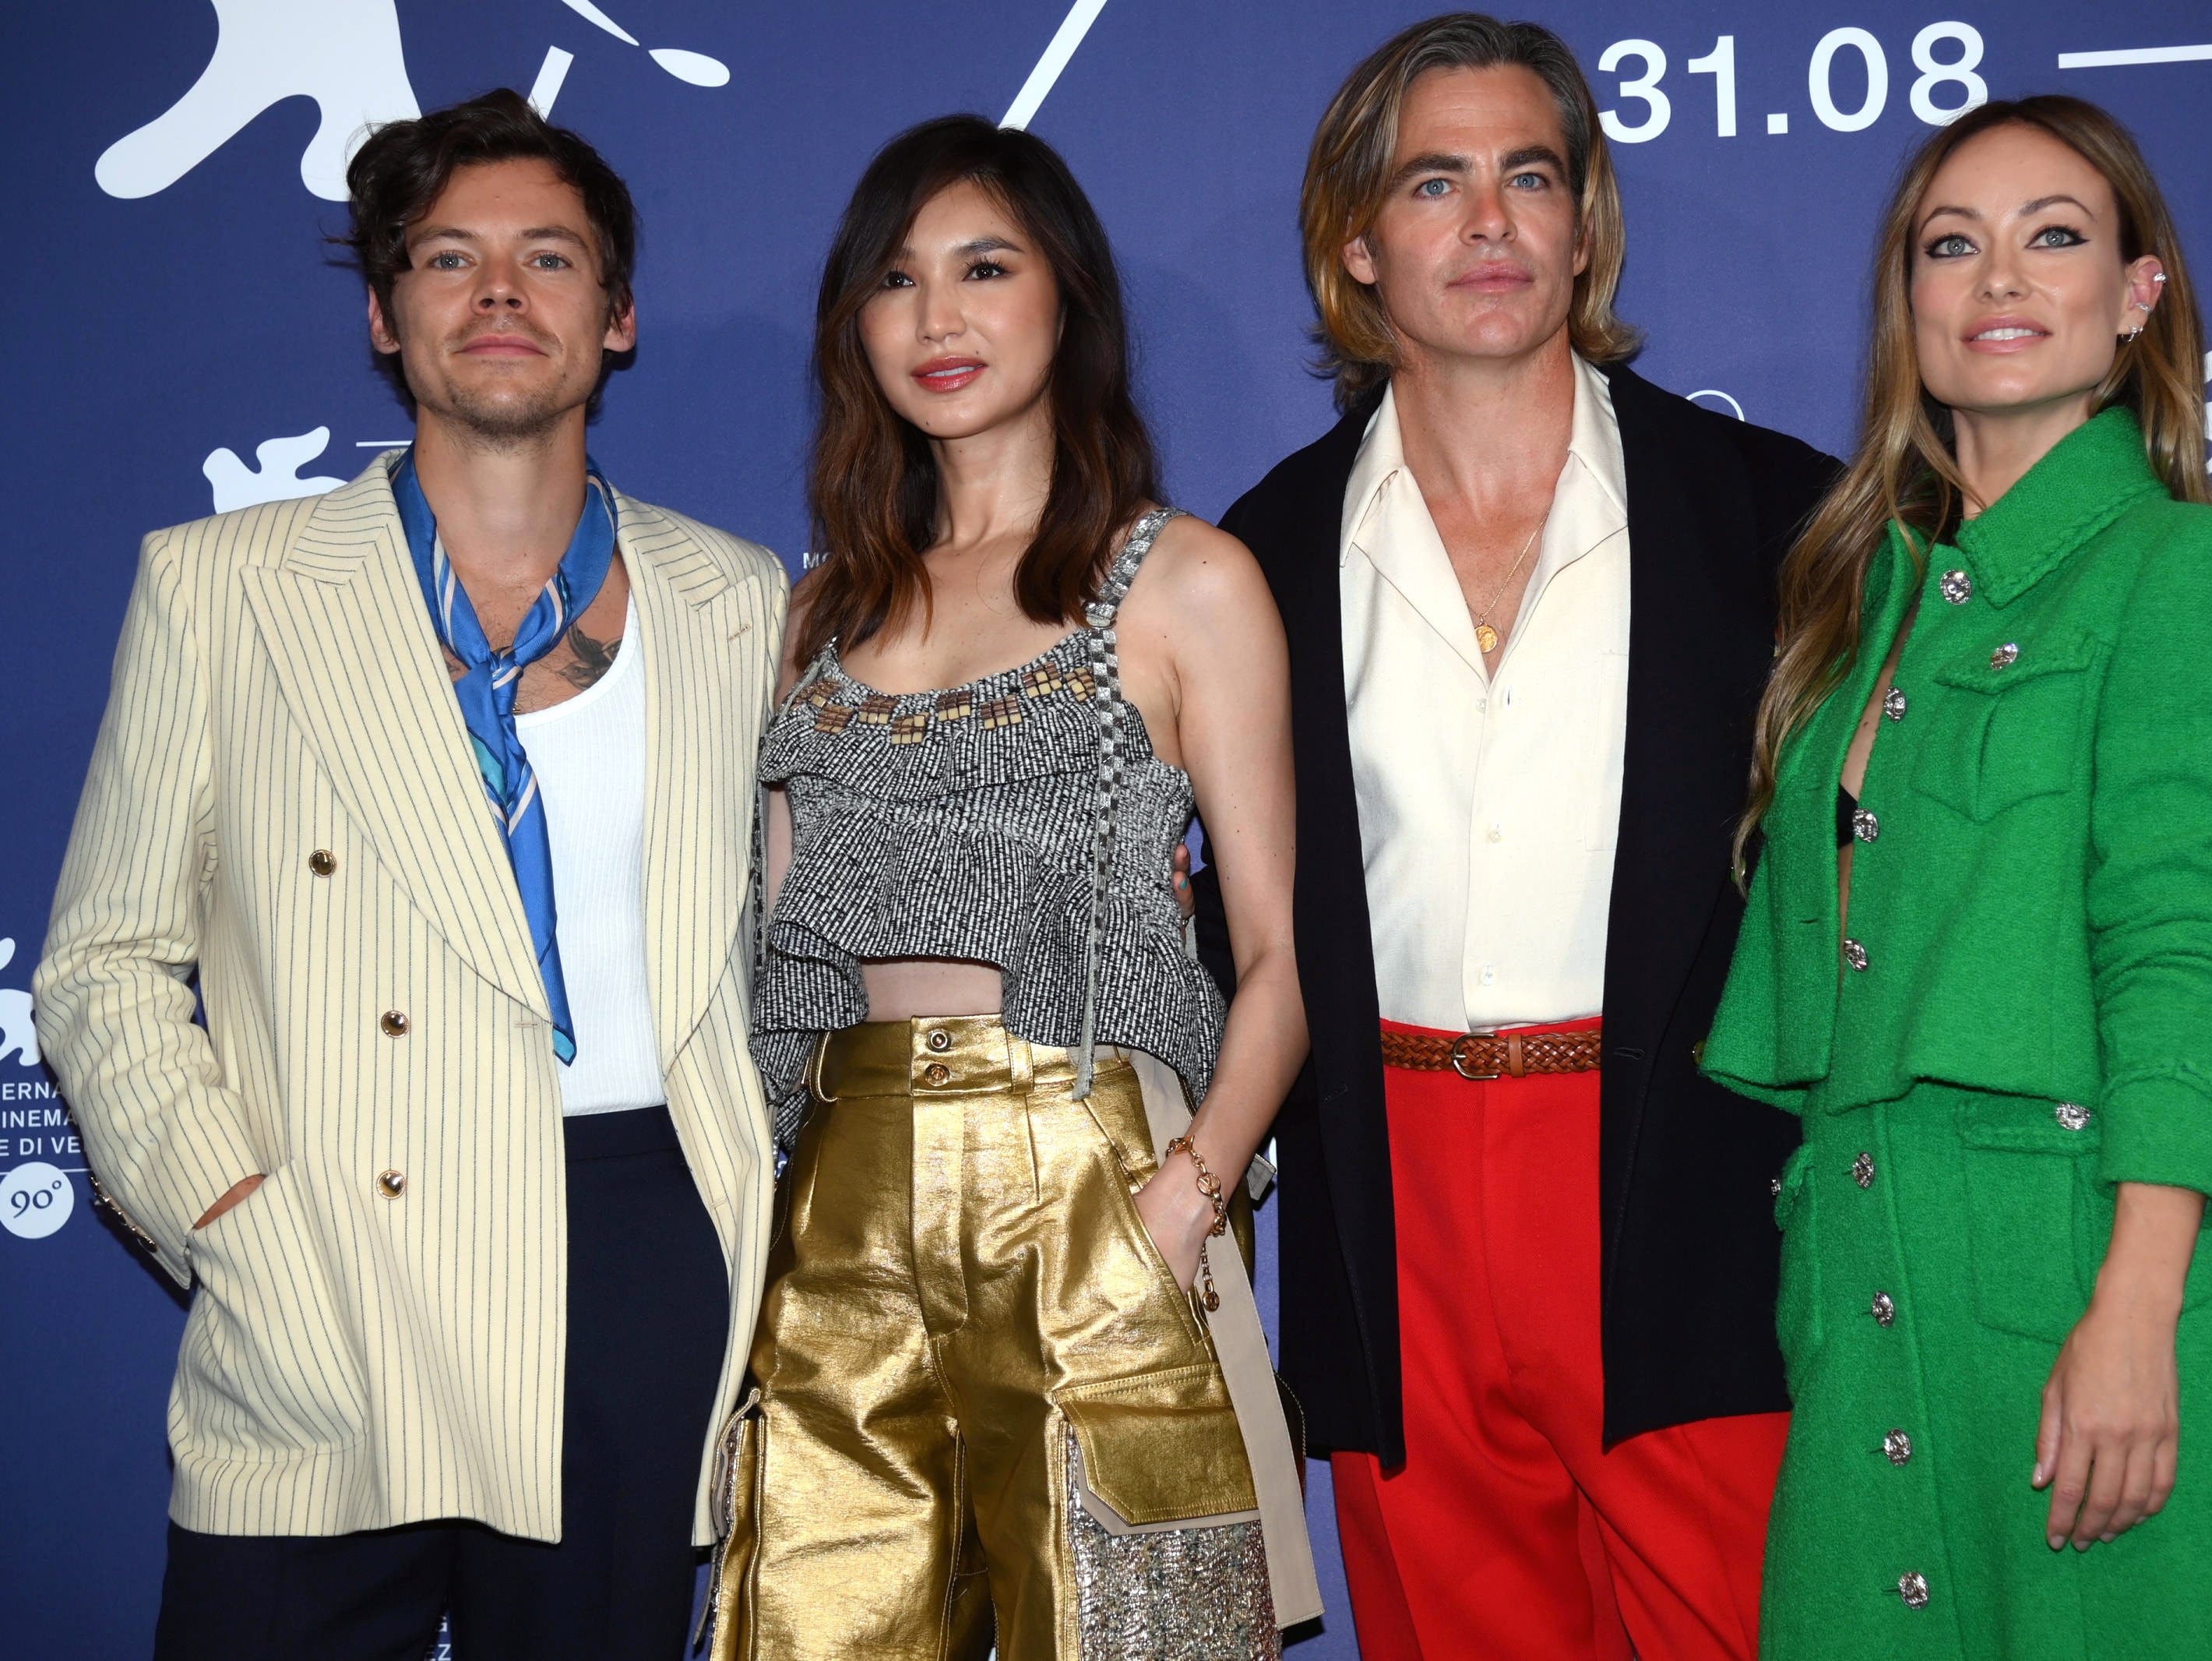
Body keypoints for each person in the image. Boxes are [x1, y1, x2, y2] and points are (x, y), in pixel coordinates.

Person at [37, 90, 789, 1661]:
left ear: (620, 314)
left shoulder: (734, 595)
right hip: (328, 1239)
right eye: (449, 259)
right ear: (386, 316)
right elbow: (104, 959)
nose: (500, 294)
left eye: (550, 258)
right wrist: (228, 1210)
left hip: (635, 1251)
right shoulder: (223, 585)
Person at [1192, 15, 1839, 1659]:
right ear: (1360, 244)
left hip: (1680, 1198)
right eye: (1435, 183)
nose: (1489, 223)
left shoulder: (1781, 516)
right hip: (1391, 1210)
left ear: (1582, 223)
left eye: (1526, 176)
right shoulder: (1254, 553)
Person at [1700, 95, 2212, 1657]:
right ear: (1909, 307)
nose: (1998, 275)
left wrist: (2132, 1312)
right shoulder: (1855, 617)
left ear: (2137, 298)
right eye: (1950, 243)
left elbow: (2189, 948)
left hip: (2071, 1283)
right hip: (1864, 1301)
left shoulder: (2186, 572)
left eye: (2054, 234)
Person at [704, 115, 1320, 1661]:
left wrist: (1188, 1195)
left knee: (1134, 1633)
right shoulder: (814, 619)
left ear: (1070, 302)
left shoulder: (1182, 579)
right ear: (858, 329)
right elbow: (779, 953)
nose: (941, 317)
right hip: (840, 1193)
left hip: (1093, 1173)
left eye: (986, 267)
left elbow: (1277, 959)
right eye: (898, 281)